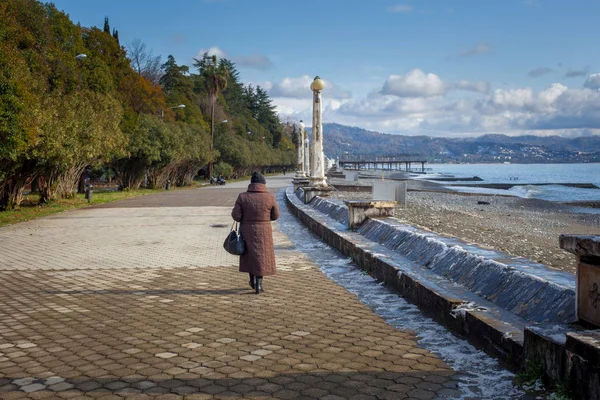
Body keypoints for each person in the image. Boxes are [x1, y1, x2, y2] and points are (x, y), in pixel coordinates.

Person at [231, 172, 280, 294]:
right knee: (261, 256)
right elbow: (276, 216)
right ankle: (259, 284)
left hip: (247, 230)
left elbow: (236, 216)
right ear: (263, 184)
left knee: (249, 255)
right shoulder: (270, 197)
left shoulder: (242, 197)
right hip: (264, 231)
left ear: (251, 183)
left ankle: (252, 281)